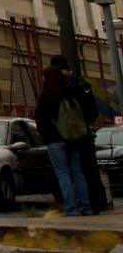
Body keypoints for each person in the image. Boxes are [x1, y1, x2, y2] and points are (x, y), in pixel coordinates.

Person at [36, 55, 92, 216]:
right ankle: (86, 207)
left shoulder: (46, 96)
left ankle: (71, 208)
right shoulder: (70, 93)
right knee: (77, 172)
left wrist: (44, 136)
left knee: (63, 174)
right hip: (73, 138)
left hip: (54, 140)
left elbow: (40, 119)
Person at [74, 77, 108, 214]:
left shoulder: (69, 90)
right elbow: (93, 113)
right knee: (90, 171)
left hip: (77, 135)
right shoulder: (83, 89)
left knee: (79, 171)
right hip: (85, 134)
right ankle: (98, 203)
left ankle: (88, 203)